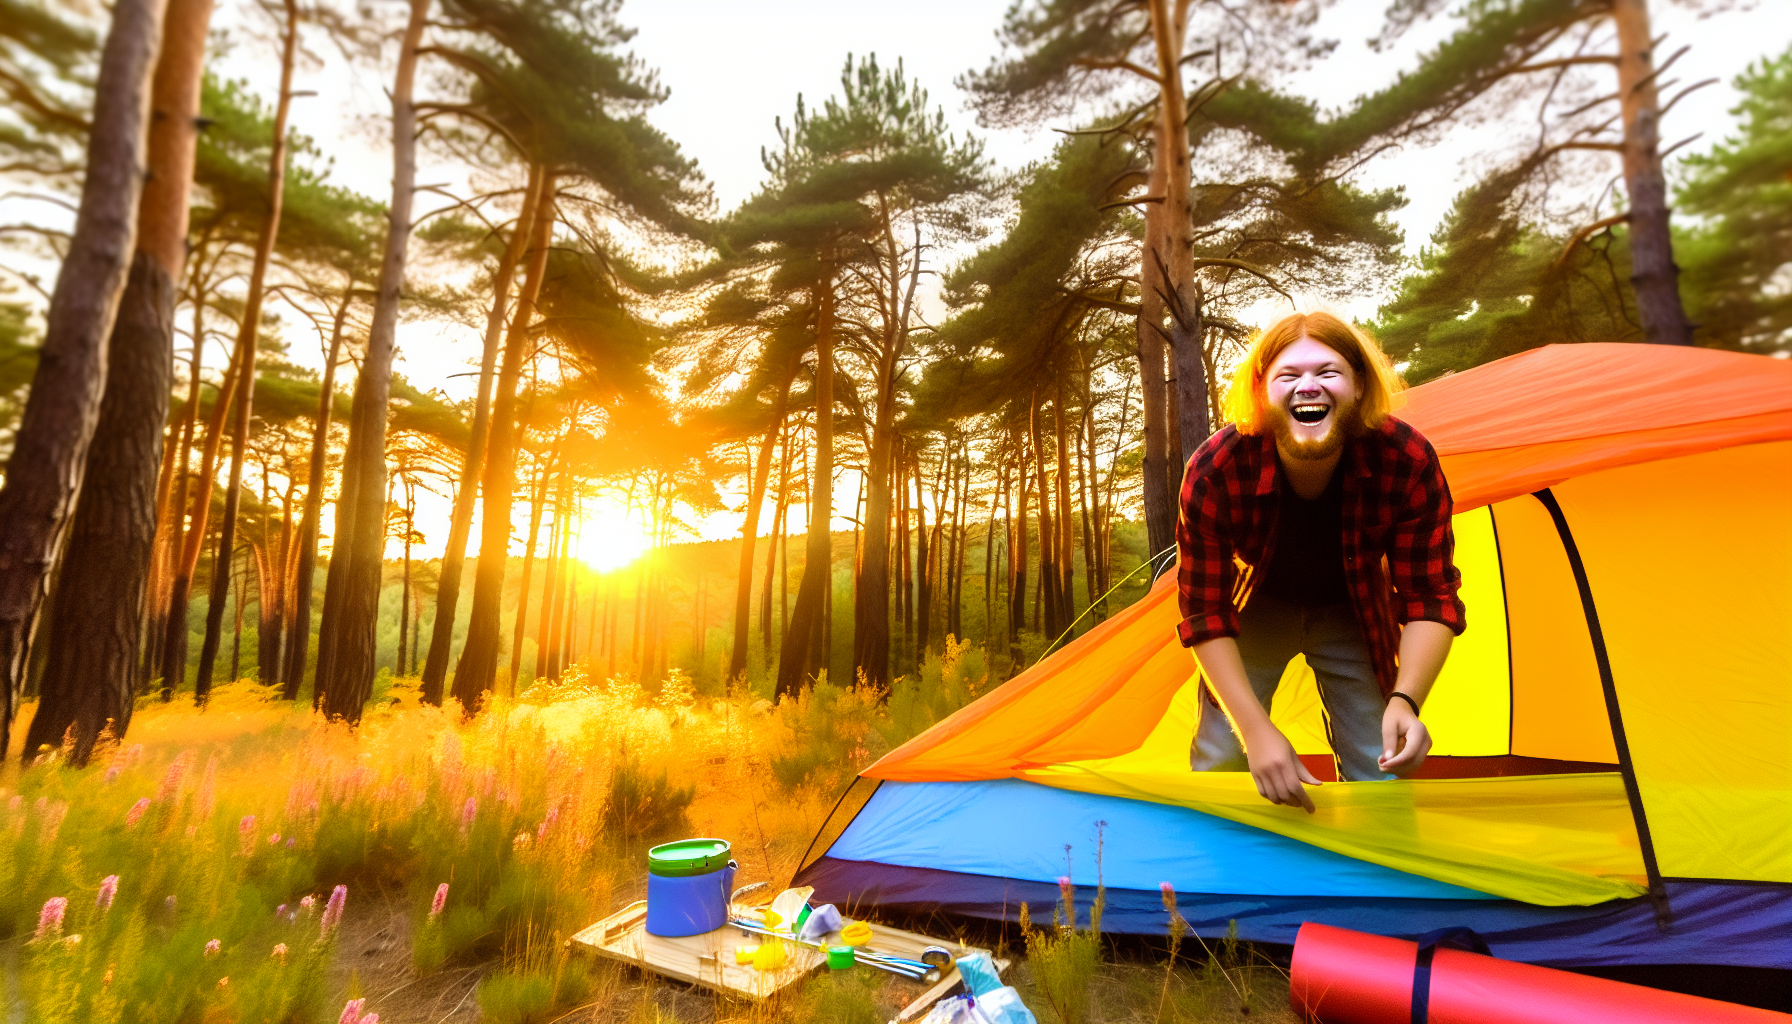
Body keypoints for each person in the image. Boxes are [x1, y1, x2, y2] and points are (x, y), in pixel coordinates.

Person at [1175, 311, 1465, 812]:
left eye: (1327, 372)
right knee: (1222, 751)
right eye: (1289, 375)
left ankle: (1383, 877)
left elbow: (1430, 597)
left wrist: (1407, 701)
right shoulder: (1216, 468)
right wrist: (1255, 731)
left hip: (1350, 609)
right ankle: (1215, 880)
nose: (1308, 386)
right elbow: (1203, 613)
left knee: (1383, 761)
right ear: (1263, 392)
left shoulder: (1407, 459)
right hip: (1256, 609)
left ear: (1358, 386)